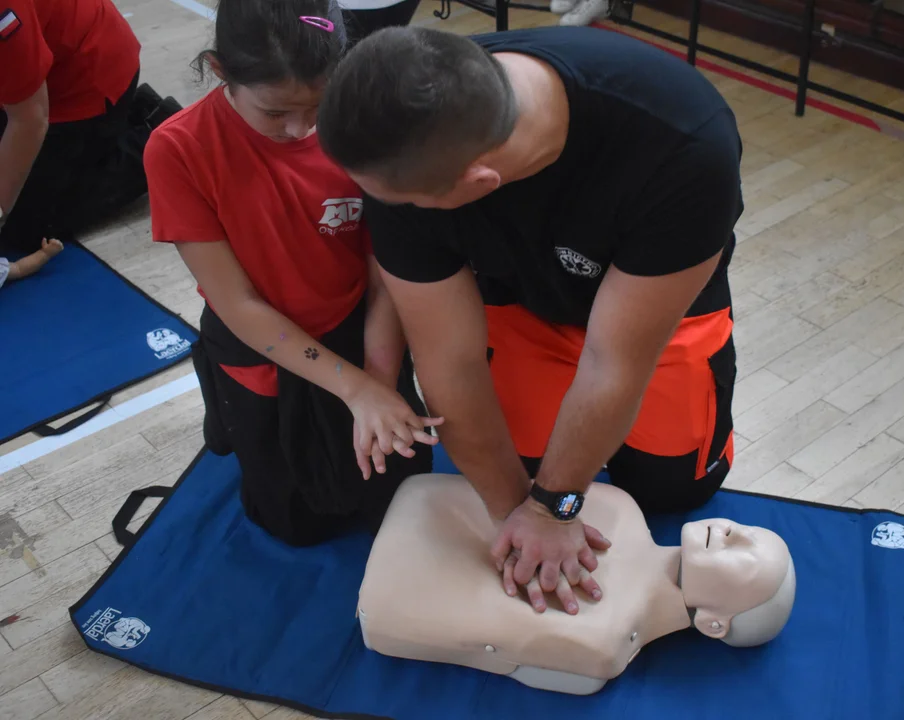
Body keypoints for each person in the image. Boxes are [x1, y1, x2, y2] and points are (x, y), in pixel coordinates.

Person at [317, 26, 744, 610]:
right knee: (514, 470)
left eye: (408, 204)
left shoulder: (686, 148)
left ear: (480, 185)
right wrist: (516, 516)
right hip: (517, 297)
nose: (388, 211)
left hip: (654, 310)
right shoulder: (399, 150)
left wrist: (556, 507)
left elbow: (613, 360)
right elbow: (448, 361)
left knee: (676, 490)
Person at [143, 0, 442, 547]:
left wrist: (377, 382)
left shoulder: (361, 125)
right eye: (275, 112)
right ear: (220, 71)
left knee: (398, 496)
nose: (300, 128)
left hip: (364, 326)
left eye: (318, 105)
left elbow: (387, 272)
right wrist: (353, 390)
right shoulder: (179, 149)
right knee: (298, 523)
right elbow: (238, 304)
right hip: (263, 347)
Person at [358, 473, 795, 694]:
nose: (730, 531)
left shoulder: (600, 643)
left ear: (714, 624)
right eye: (746, 529)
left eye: (745, 557)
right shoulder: (621, 508)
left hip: (389, 593)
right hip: (419, 514)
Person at [0, 0, 178, 257]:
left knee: (22, 227)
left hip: (87, 79)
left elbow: (31, 119)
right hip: (45, 66)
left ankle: (156, 138)